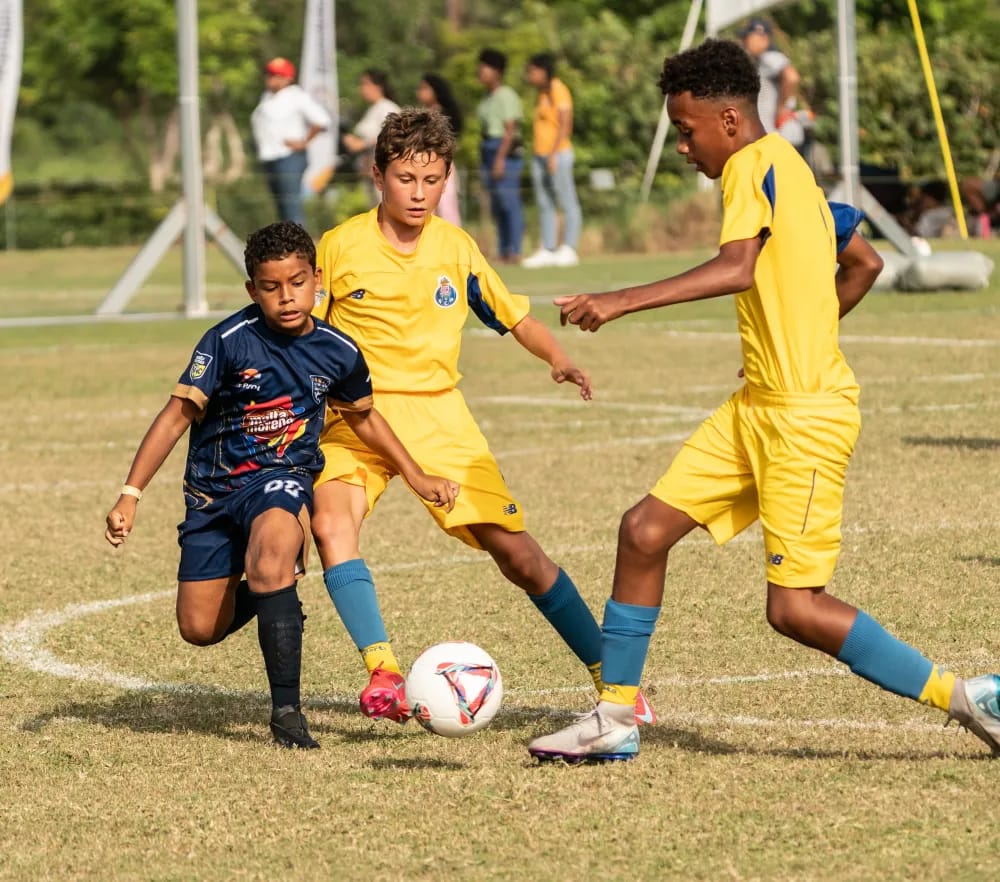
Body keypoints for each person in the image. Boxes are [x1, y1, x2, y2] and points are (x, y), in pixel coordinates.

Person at [527, 38, 1000, 763]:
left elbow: (738, 266)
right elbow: (864, 260)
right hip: (758, 406)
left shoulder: (750, 165)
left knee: (795, 608)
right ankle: (615, 717)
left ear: (727, 119)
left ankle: (968, 699)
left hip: (805, 417)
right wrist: (803, 326)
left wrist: (620, 300)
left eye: (686, 132)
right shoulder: (793, 170)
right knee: (643, 531)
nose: (685, 147)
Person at [310, 107, 655, 727]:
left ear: (447, 182)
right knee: (332, 523)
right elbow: (302, 331)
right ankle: (384, 671)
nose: (419, 194)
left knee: (520, 556)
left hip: (441, 421)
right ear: (378, 176)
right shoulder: (338, 248)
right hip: (356, 421)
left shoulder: (456, 248)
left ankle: (613, 678)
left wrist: (558, 357)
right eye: (406, 179)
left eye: (433, 180)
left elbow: (513, 315)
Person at [103, 221, 458, 750]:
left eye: (297, 282)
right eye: (271, 287)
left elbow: (364, 418)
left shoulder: (338, 350)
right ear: (253, 290)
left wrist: (414, 472)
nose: (286, 297)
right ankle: (279, 596)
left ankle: (287, 715)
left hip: (281, 480)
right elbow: (176, 416)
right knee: (199, 628)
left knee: (270, 558)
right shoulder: (226, 341)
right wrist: (130, 494)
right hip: (213, 494)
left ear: (316, 279)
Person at [250, 58, 331, 227]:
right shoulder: (266, 97)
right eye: (269, 74)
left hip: (288, 158)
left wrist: (304, 141)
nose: (270, 79)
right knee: (281, 208)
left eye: (275, 75)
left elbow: (322, 120)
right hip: (270, 158)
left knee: (291, 207)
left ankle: (299, 247)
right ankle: (285, 247)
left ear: (287, 78)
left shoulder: (296, 96)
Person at [521, 53, 583, 269]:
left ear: (543, 70)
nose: (529, 76)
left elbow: (565, 125)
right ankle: (547, 247)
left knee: (566, 199)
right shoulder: (541, 94)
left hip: (558, 155)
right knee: (545, 202)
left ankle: (569, 247)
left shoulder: (558, 89)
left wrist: (554, 154)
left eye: (532, 71)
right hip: (540, 156)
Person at [476, 48, 525, 263]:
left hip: (503, 150)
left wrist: (500, 158)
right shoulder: (487, 98)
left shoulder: (507, 95)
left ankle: (514, 249)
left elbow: (510, 129)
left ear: (497, 71)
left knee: (508, 200)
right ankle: (503, 248)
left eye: (485, 67)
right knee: (496, 203)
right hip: (488, 146)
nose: (481, 71)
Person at [739, 18, 812, 156]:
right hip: (775, 138)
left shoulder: (770, 57)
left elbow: (792, 77)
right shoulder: (762, 60)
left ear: (763, 37)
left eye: (747, 36)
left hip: (779, 136)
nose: (744, 41)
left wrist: (781, 110)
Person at [340, 69, 401, 204]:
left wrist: (362, 144)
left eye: (365, 84)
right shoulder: (372, 109)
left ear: (378, 86)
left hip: (386, 171)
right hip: (370, 170)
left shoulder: (387, 107)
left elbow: (394, 136)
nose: (362, 89)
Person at [417, 73, 464, 226]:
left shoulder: (444, 114)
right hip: (424, 166)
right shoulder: (422, 114)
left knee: (446, 206)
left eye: (424, 88)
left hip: (442, 164)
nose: (420, 92)